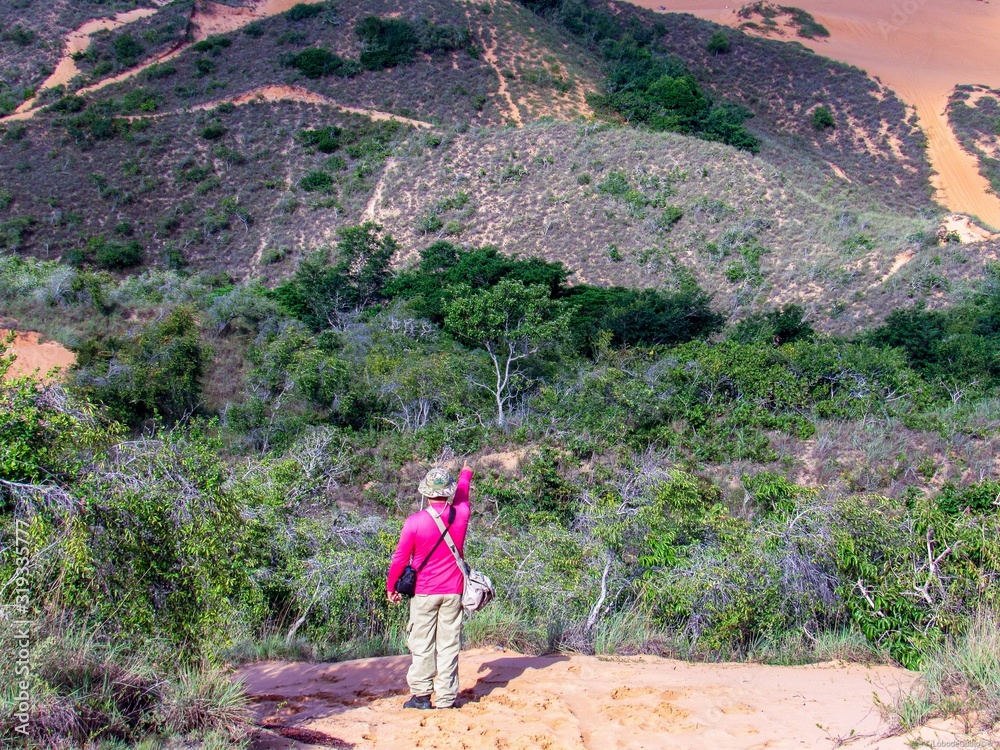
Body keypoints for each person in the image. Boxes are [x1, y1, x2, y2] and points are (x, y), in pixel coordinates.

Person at [387, 465, 473, 710]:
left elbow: (400, 560)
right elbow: (464, 494)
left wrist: (391, 587)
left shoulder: (414, 522)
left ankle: (422, 697)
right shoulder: (462, 514)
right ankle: (446, 699)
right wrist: (466, 473)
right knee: (448, 645)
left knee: (422, 644)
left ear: (425, 492)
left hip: (424, 591)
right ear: (448, 492)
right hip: (453, 590)